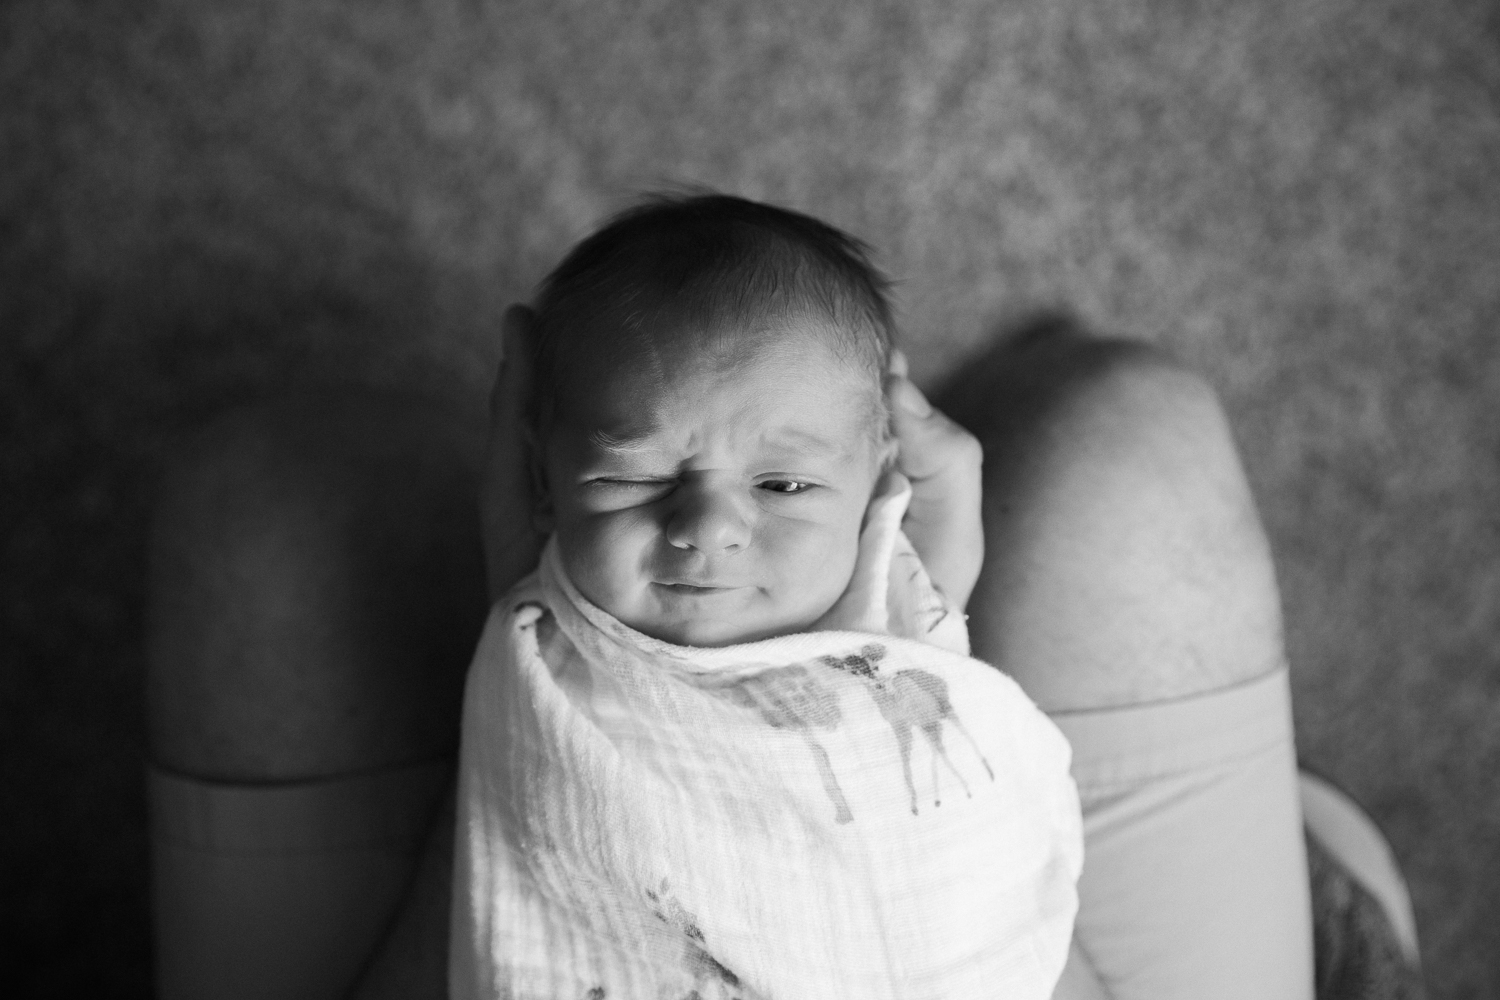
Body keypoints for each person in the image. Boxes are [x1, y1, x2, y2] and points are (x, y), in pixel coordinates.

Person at [146, 195, 1313, 1000]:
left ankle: (1034, 372)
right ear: (553, 491)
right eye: (635, 474)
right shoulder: (569, 631)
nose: (706, 524)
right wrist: (940, 642)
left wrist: (931, 644)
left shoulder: (875, 611)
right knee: (1122, 423)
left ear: (875, 496)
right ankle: (1040, 366)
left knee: (270, 494)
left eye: (786, 482)